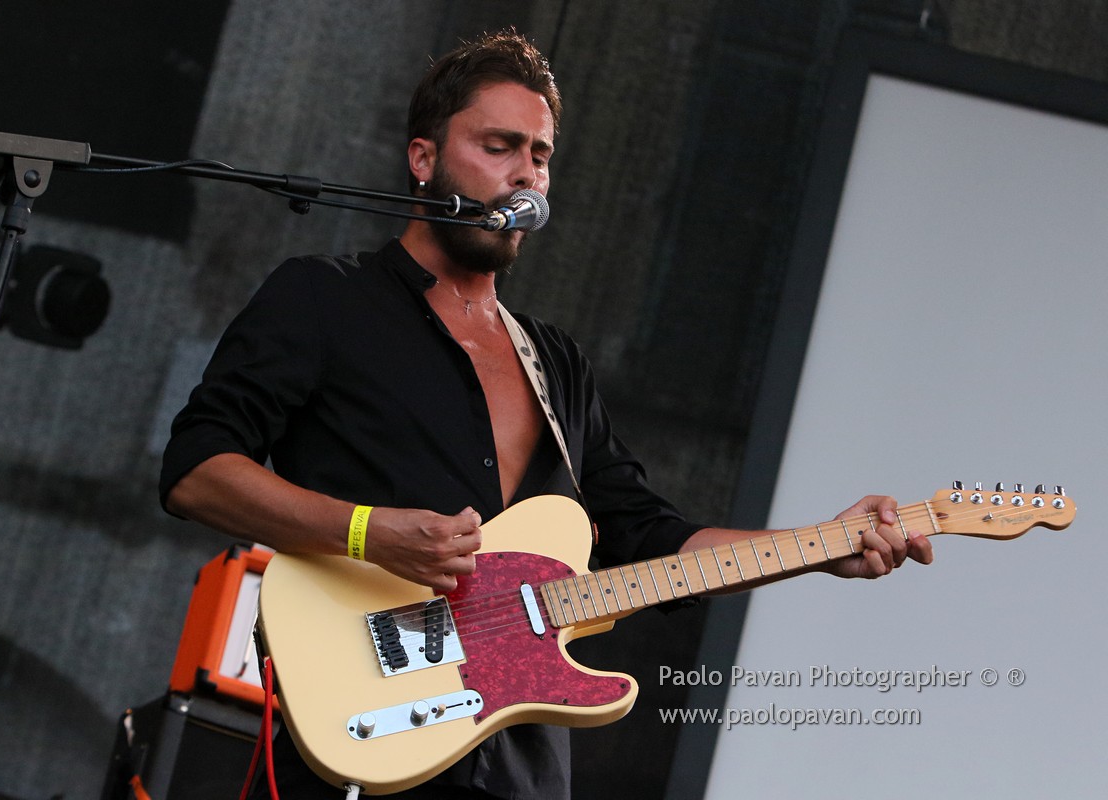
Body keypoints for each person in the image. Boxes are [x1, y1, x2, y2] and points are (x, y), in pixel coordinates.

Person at [160, 29, 932, 800]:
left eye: (539, 155)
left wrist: (818, 547)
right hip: (364, 744)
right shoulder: (324, 299)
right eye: (499, 147)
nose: (524, 174)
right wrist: (368, 531)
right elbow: (196, 470)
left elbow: (650, 537)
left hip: (519, 773)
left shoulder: (555, 362)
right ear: (424, 158)